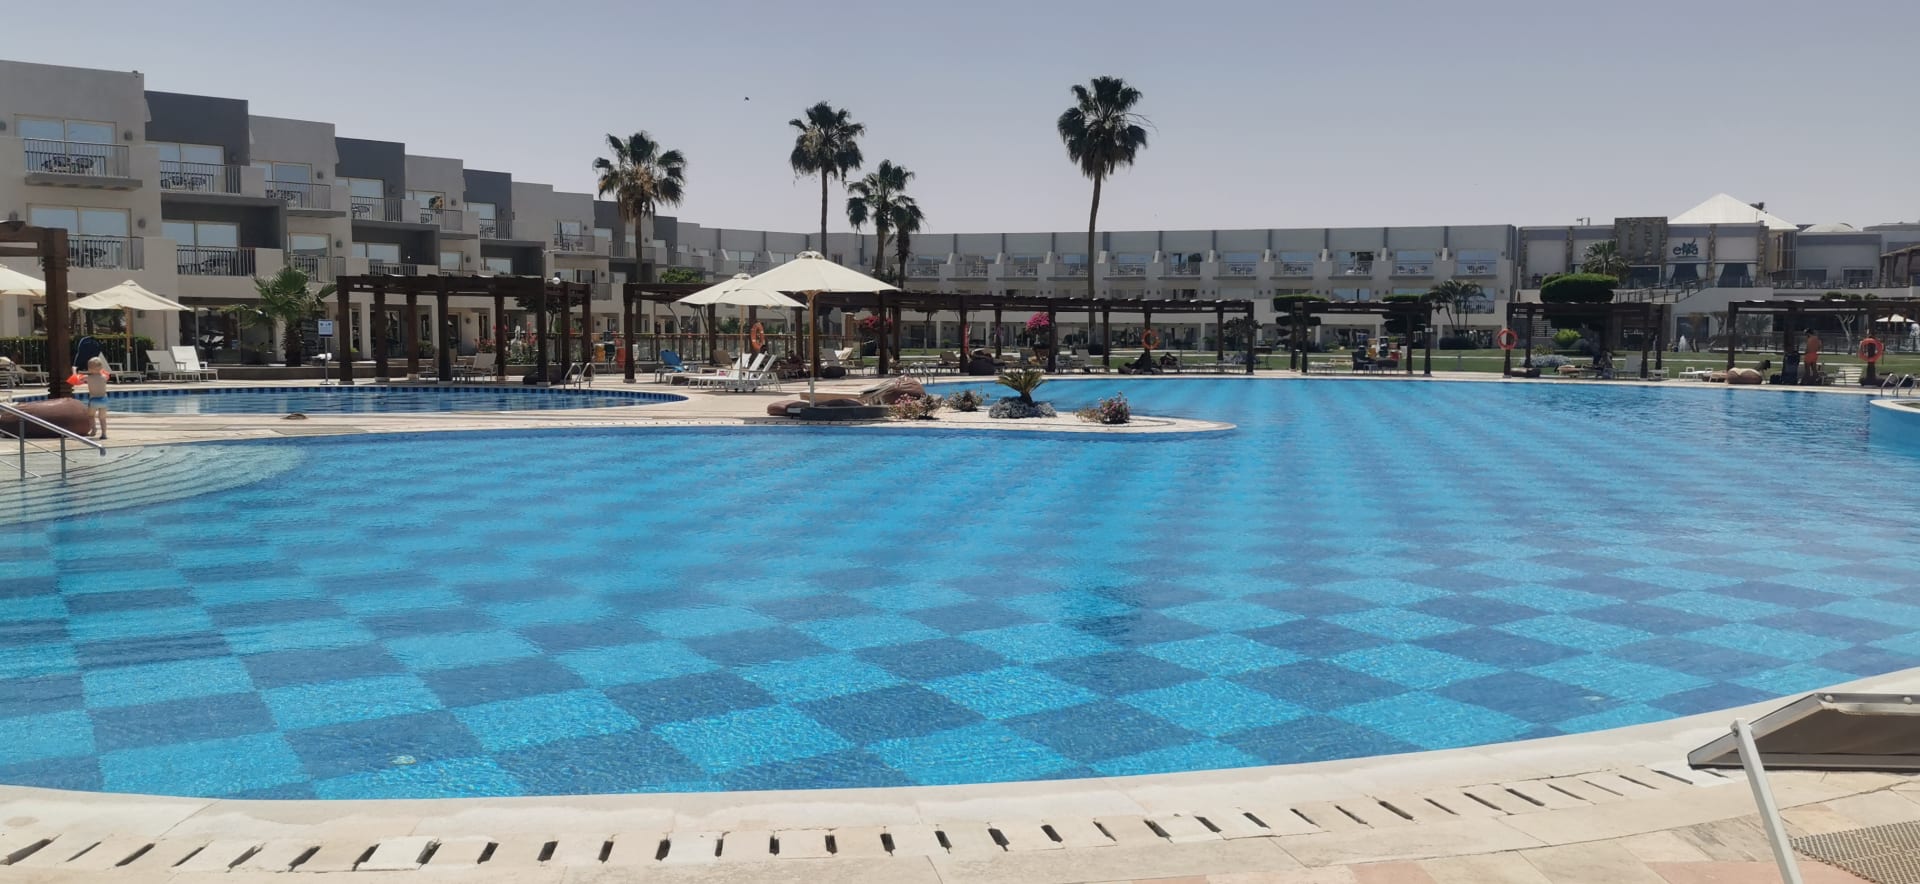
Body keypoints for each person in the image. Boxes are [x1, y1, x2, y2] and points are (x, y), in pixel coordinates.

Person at [82, 356, 111, 439]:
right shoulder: (104, 377)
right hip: (104, 400)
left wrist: (74, 371)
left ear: (89, 369)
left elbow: (78, 379)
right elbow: (107, 375)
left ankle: (94, 429)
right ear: (101, 368)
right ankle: (104, 434)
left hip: (94, 400)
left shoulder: (88, 378)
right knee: (102, 418)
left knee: (91, 416)